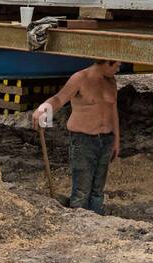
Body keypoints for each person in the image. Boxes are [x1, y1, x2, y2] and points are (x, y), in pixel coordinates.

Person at [33, 60, 121, 213]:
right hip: (83, 140)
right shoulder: (80, 78)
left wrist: (116, 140)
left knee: (98, 188)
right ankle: (80, 220)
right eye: (117, 65)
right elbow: (60, 98)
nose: (119, 69)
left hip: (106, 139)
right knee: (82, 189)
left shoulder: (111, 81)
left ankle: (97, 219)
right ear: (106, 62)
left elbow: (113, 111)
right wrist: (44, 108)